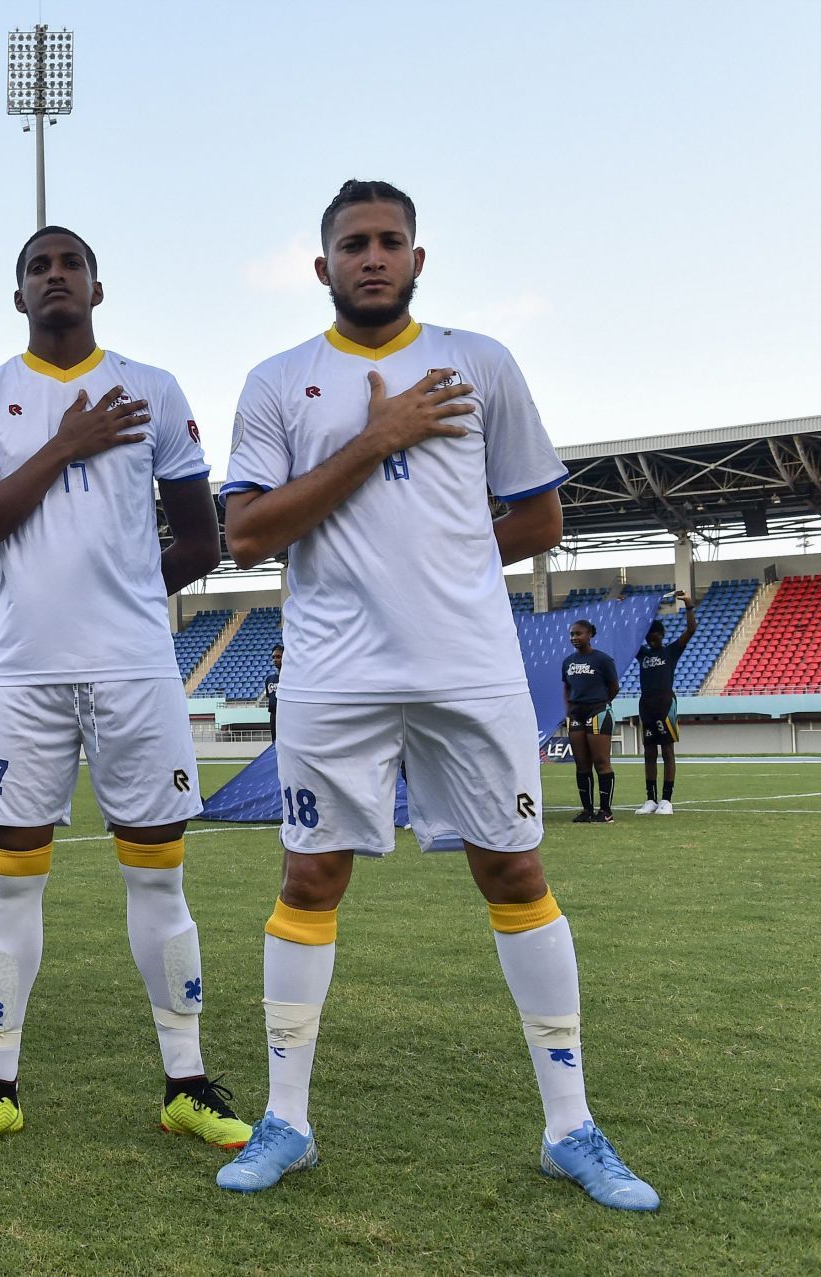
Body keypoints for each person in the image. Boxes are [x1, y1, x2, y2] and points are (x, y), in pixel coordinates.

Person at [214, 180, 656, 1209]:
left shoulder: (483, 362)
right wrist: (376, 438)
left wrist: (444, 565)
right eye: (353, 244)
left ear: (419, 259)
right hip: (335, 669)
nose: (373, 256)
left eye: (390, 241)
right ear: (320, 267)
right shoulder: (279, 381)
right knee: (311, 874)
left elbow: (541, 518)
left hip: (469, 663)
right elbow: (246, 534)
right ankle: (288, 1119)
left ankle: (571, 1126)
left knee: (513, 865)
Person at [0, 226, 245, 1151]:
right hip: (23, 668)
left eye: (70, 265)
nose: (55, 276)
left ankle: (187, 1080)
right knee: (13, 883)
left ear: (98, 288)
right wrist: (66, 443)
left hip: (135, 666)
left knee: (158, 877)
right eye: (38, 267)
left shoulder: (155, 388)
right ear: (18, 294)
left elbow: (201, 540)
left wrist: (131, 596)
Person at [635, 593, 695, 815]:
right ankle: (650, 799)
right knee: (649, 753)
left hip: (665, 705)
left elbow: (690, 631)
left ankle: (666, 800)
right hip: (646, 706)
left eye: (655, 635)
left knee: (667, 752)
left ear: (661, 635)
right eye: (648, 636)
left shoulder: (670, 651)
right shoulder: (642, 654)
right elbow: (625, 637)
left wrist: (688, 605)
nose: (651, 639)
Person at [562, 620, 620, 824]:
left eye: (578, 634)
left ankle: (605, 812)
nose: (574, 638)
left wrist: (601, 704)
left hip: (598, 711)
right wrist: (568, 709)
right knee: (582, 764)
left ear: (590, 634)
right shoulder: (568, 662)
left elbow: (614, 687)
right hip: (576, 714)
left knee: (601, 762)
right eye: (571, 635)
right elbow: (567, 688)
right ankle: (587, 810)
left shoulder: (603, 660)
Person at [265, 644, 283, 741]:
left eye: (278, 657)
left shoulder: (291, 678)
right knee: (275, 743)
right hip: (274, 716)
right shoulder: (269, 679)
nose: (275, 659)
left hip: (287, 716)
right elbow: (270, 698)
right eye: (273, 657)